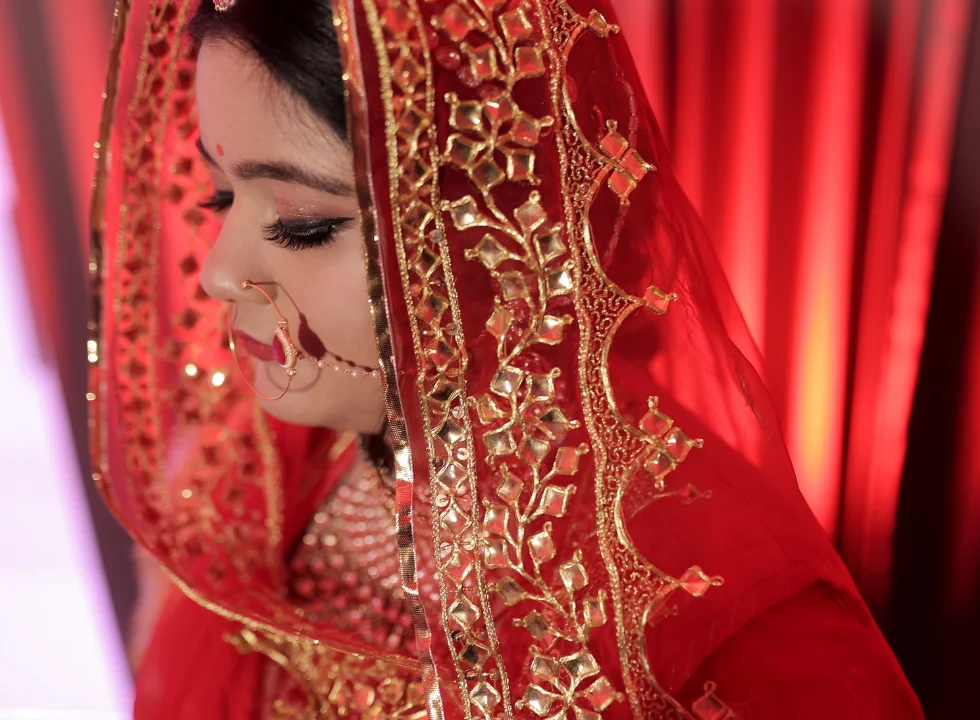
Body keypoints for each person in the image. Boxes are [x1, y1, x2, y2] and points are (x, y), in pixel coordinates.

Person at [88, 0, 925, 717]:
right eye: (221, 194)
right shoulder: (254, 482)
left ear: (499, 228)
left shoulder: (710, 615)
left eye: (303, 222)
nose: (219, 270)